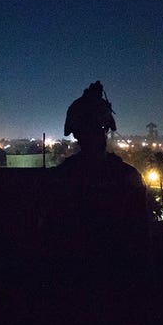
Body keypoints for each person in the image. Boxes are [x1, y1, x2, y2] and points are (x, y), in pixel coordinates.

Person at [50, 81, 148, 252]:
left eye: (97, 129)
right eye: (90, 129)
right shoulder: (127, 176)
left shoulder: (63, 176)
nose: (94, 136)